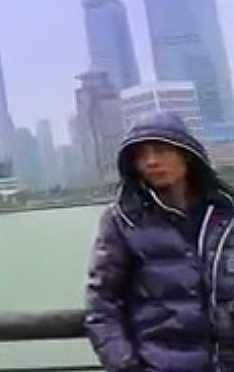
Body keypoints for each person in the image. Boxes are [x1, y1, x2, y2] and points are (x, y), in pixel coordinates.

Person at [84, 111, 234, 371]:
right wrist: (127, 366)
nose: (151, 161)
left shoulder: (225, 214)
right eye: (141, 155)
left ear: (186, 154)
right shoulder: (123, 221)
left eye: (161, 150)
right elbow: (101, 308)